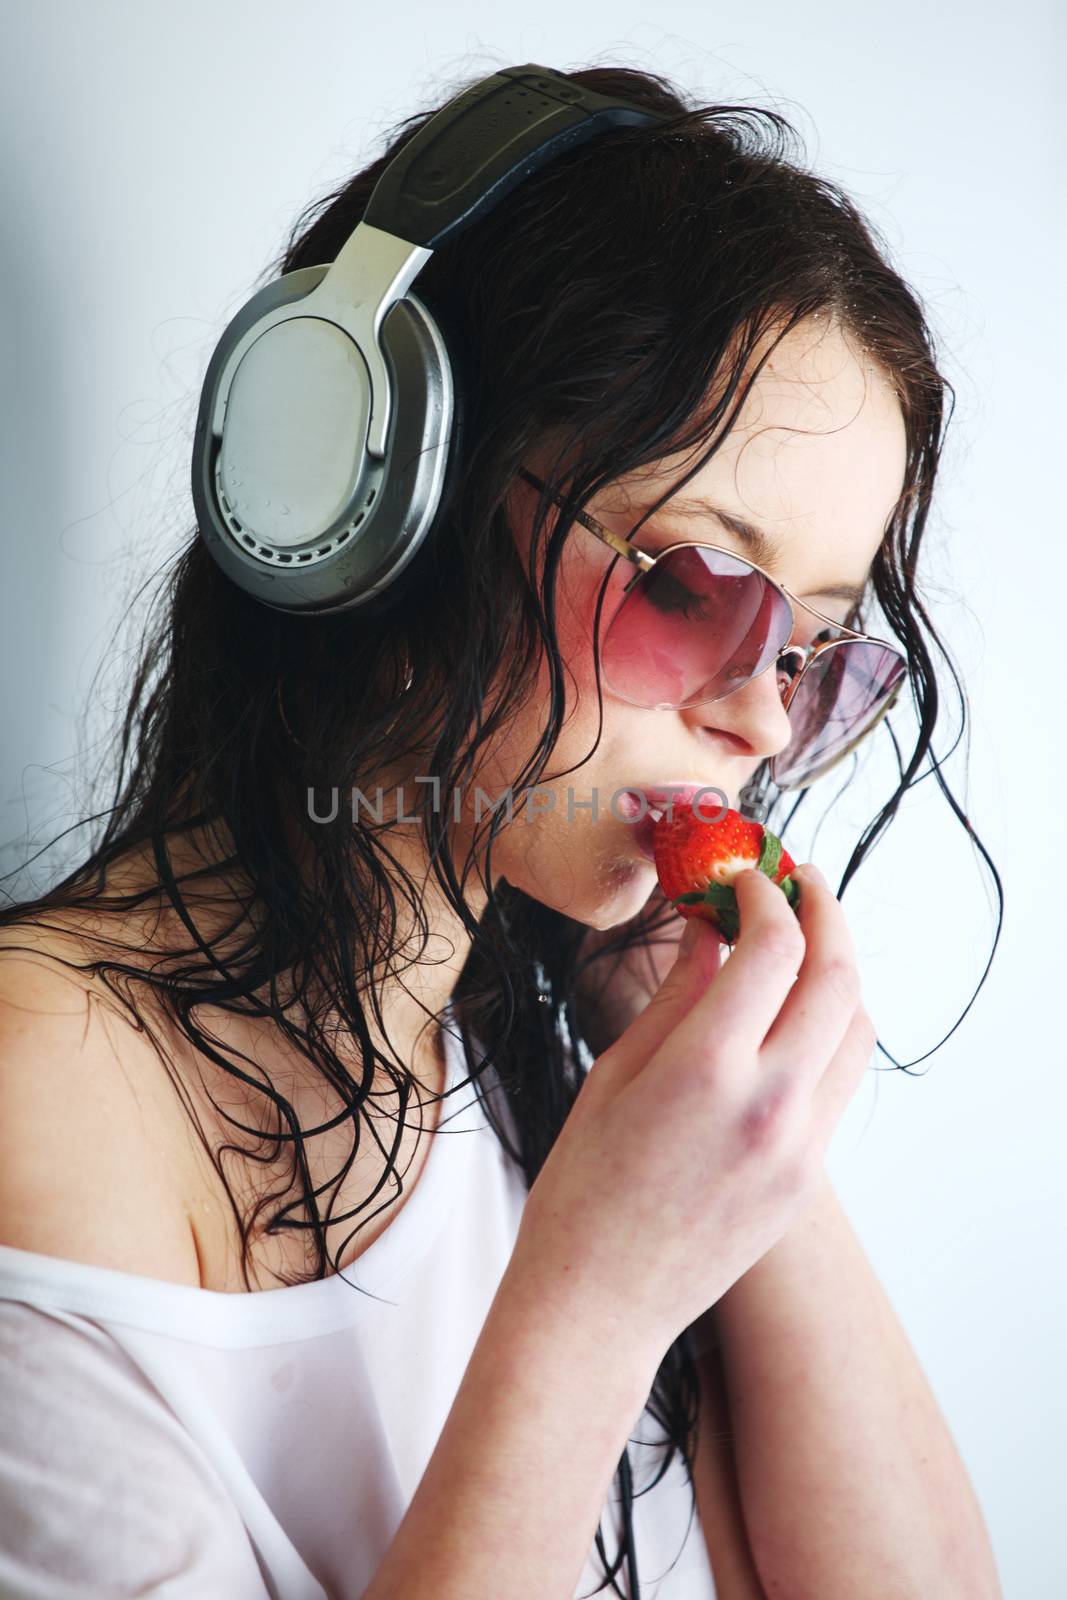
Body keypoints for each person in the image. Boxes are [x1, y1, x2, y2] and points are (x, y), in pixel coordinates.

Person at [0, 62, 1003, 1600]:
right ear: (372, 491)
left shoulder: (554, 1074)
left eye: (811, 649)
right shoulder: (36, 1101)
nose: (762, 721)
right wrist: (595, 1299)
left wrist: (745, 1152)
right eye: (687, 585)